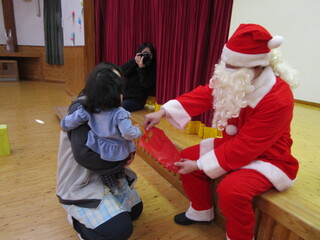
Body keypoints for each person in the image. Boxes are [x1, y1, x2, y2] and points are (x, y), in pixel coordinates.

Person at [144, 24, 299, 240]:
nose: (225, 70)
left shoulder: (278, 99)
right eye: (226, 64)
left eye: (231, 66)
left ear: (255, 68)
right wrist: (163, 112)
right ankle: (201, 211)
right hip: (234, 146)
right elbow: (205, 94)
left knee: (231, 190)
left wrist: (200, 165)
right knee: (186, 157)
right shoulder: (237, 76)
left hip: (268, 157)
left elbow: (248, 146)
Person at [56, 62, 143, 240]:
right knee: (120, 230)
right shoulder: (83, 109)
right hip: (81, 179)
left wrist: (129, 151)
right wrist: (123, 159)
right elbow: (85, 157)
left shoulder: (112, 109)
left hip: (106, 173)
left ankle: (105, 208)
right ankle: (78, 222)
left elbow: (124, 136)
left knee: (135, 211)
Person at [60, 62, 141, 194]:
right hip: (94, 167)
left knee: (132, 205)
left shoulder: (89, 109)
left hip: (104, 150)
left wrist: (64, 125)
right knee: (117, 185)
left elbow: (71, 121)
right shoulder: (115, 112)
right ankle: (118, 187)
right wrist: (137, 131)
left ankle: (118, 187)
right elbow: (127, 132)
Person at [121, 43, 156, 112]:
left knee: (118, 108)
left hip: (137, 101)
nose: (146, 56)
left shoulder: (151, 69)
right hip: (124, 97)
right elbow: (122, 71)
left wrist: (141, 68)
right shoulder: (133, 63)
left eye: (149, 54)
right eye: (144, 54)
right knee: (106, 103)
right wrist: (134, 61)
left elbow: (146, 84)